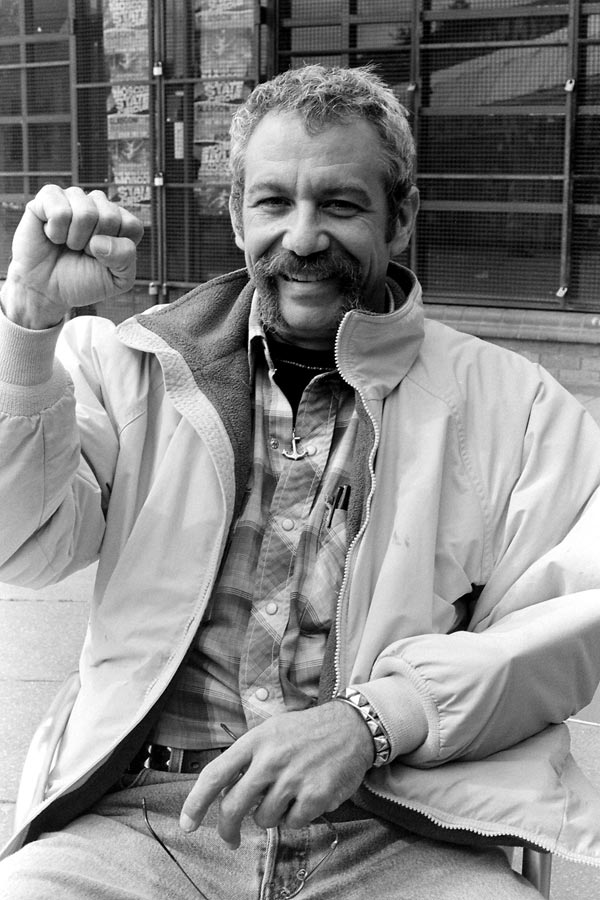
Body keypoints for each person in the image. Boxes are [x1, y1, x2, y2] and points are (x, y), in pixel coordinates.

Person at [1, 64, 600, 899]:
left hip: (395, 825)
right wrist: (29, 323)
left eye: (342, 204)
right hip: (146, 823)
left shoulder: (517, 406)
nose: (305, 237)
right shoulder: (124, 365)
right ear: (237, 215)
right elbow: (20, 545)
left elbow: (572, 621)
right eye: (274, 203)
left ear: (402, 219)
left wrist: (372, 722)